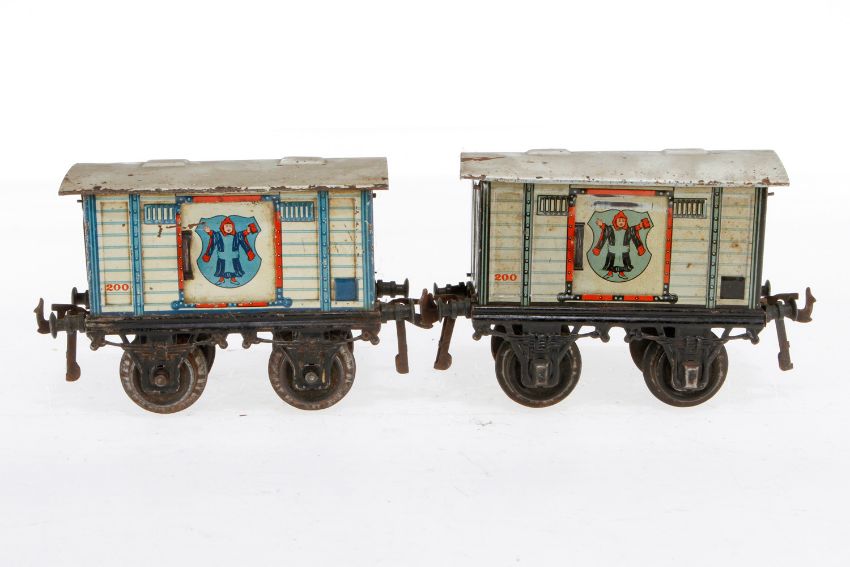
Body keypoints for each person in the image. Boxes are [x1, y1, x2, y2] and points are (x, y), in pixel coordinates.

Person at [591, 210, 650, 279]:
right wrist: (601, 224)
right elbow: (606, 228)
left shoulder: (628, 230)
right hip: (612, 250)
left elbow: (634, 229)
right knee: (610, 262)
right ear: (615, 221)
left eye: (623, 221)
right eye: (619, 221)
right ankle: (610, 273)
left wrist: (641, 225)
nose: (621, 222)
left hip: (624, 251)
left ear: (625, 222)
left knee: (623, 263)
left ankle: (621, 273)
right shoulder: (611, 228)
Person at [201, 217, 258, 284]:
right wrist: (209, 232)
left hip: (233, 256)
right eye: (226, 226)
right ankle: (221, 279)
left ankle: (233, 279)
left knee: (234, 268)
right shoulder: (219, 235)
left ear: (233, 227)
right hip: (222, 256)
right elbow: (214, 235)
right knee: (221, 268)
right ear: (223, 227)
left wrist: (247, 231)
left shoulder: (236, 235)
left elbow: (242, 234)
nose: (228, 228)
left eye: (230, 226)